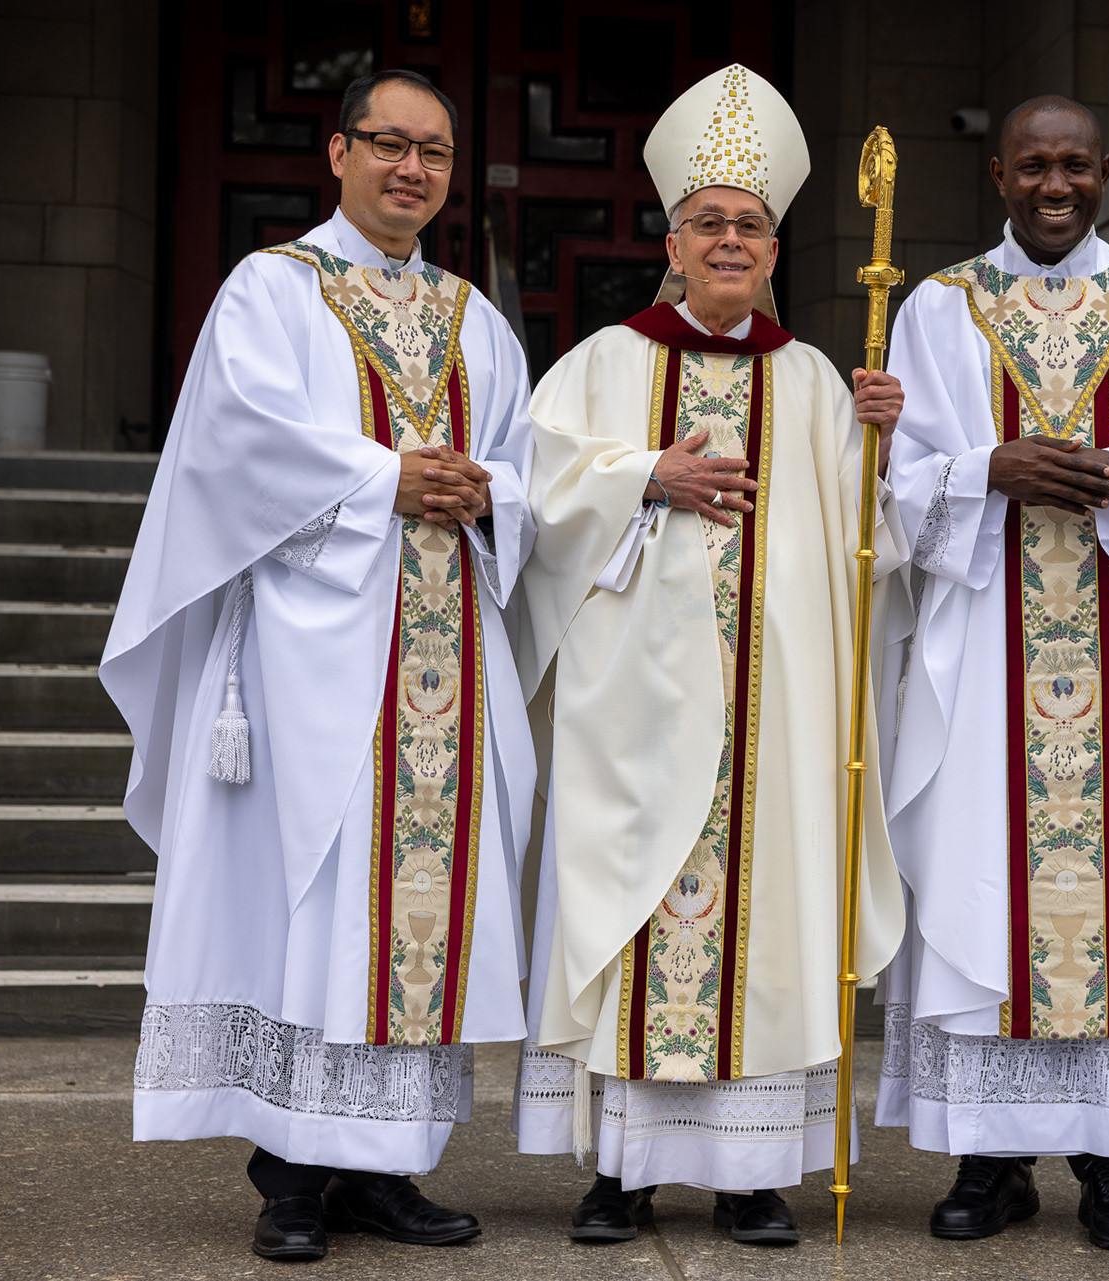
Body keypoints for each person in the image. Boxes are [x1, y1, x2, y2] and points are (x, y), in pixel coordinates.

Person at [103, 70, 537, 1263]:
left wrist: (496, 496)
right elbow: (233, 447)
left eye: (434, 152)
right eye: (388, 144)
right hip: (309, 661)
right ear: (337, 152)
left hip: (446, 663)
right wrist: (384, 480)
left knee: (413, 923)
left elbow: (524, 470)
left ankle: (385, 1171)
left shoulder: (475, 318)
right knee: (315, 910)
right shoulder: (272, 291)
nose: (411, 169)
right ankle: (292, 1176)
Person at [510, 64, 907, 1249]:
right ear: (671, 244)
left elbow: (870, 554)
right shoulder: (597, 367)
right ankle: (619, 1174)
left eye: (751, 227)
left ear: (776, 251)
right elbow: (538, 507)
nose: (729, 242)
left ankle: (753, 1175)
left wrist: (888, 442)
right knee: (629, 919)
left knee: (770, 929)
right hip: (632, 715)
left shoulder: (822, 383)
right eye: (708, 225)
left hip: (776, 721)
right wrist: (650, 476)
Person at [873, 95, 1109, 1253]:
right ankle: (990, 1160)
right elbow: (898, 484)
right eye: (1034, 166)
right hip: (983, 659)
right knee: (983, 889)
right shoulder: (937, 305)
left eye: (1074, 165)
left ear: (1106, 171)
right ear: (997, 174)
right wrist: (987, 468)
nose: (1054, 184)